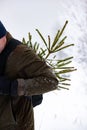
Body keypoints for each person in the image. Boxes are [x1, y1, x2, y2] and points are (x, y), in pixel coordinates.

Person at [0, 21, 58, 130]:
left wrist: (13, 86)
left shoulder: (20, 54)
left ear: (3, 36)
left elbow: (52, 81)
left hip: (17, 125)